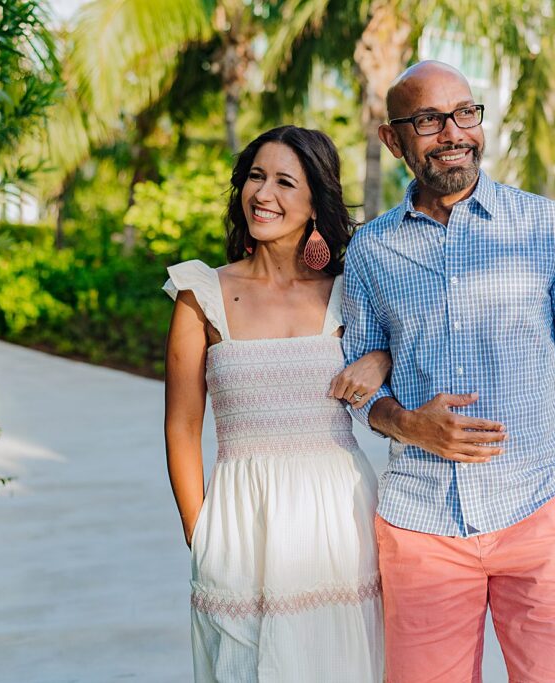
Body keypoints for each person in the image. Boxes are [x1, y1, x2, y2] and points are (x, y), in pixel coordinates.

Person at [341, 61, 555, 683]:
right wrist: (409, 424)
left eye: (465, 113)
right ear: (394, 139)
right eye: (429, 120)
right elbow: (358, 385)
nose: (453, 132)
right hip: (421, 525)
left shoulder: (549, 228)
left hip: (537, 512)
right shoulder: (371, 251)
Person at [163, 125, 387, 682]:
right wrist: (201, 532)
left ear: (316, 202)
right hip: (241, 520)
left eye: (286, 181)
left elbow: (407, 360)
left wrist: (380, 359)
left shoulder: (348, 291)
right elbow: (182, 427)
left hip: (338, 520)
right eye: (256, 177)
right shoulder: (201, 294)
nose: (264, 195)